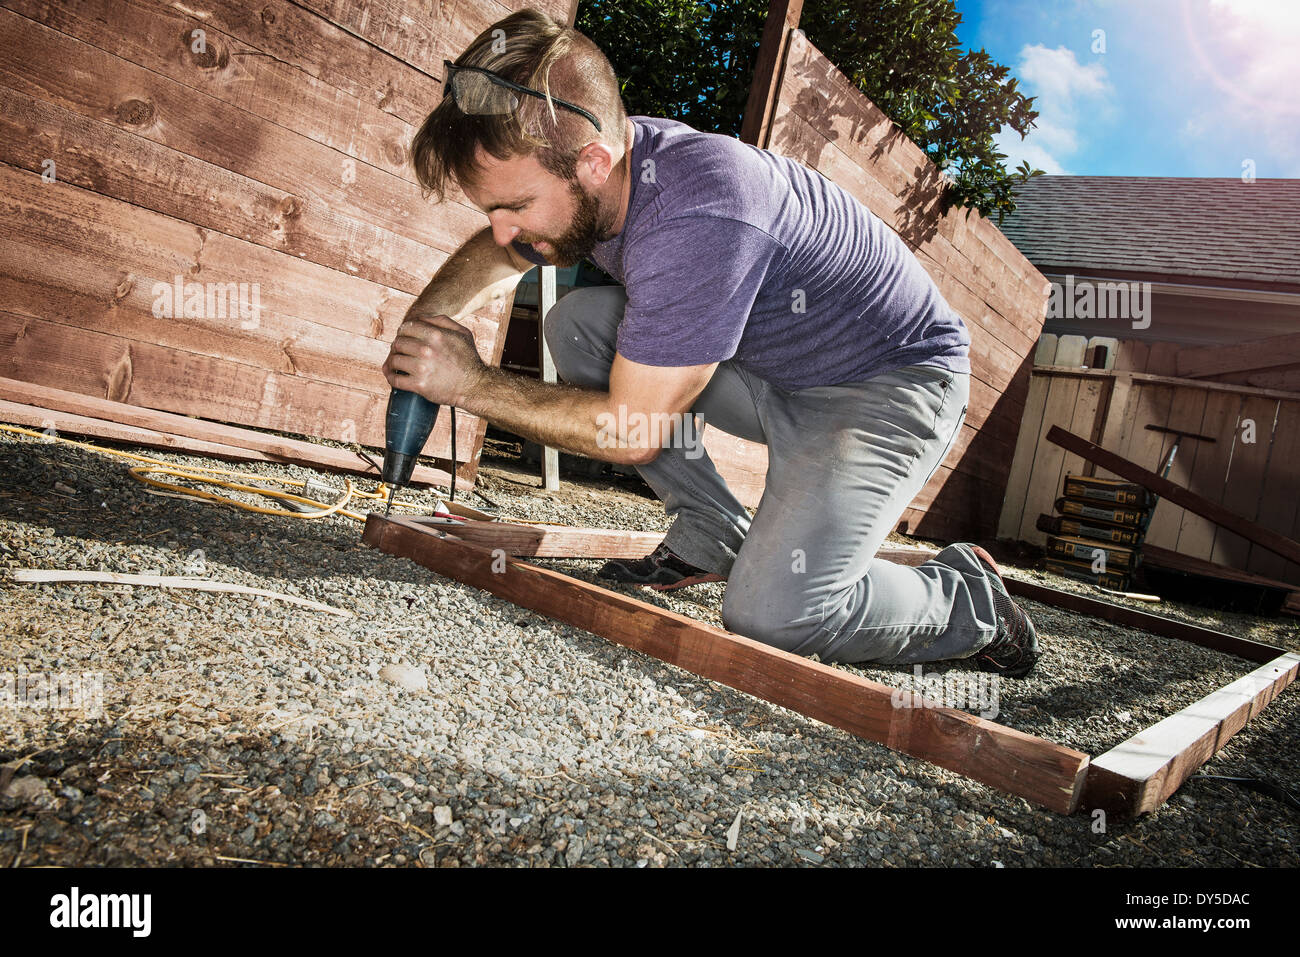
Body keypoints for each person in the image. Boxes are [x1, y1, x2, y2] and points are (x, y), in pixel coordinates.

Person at [383, 8, 1039, 677]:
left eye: (514, 206)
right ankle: (709, 531)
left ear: (591, 162)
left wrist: (467, 382)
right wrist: (426, 322)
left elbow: (630, 430)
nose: (502, 231)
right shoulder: (607, 174)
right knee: (576, 326)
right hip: (775, 372)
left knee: (773, 614)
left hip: (889, 386)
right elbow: (504, 252)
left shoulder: (701, 211)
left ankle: (969, 599)